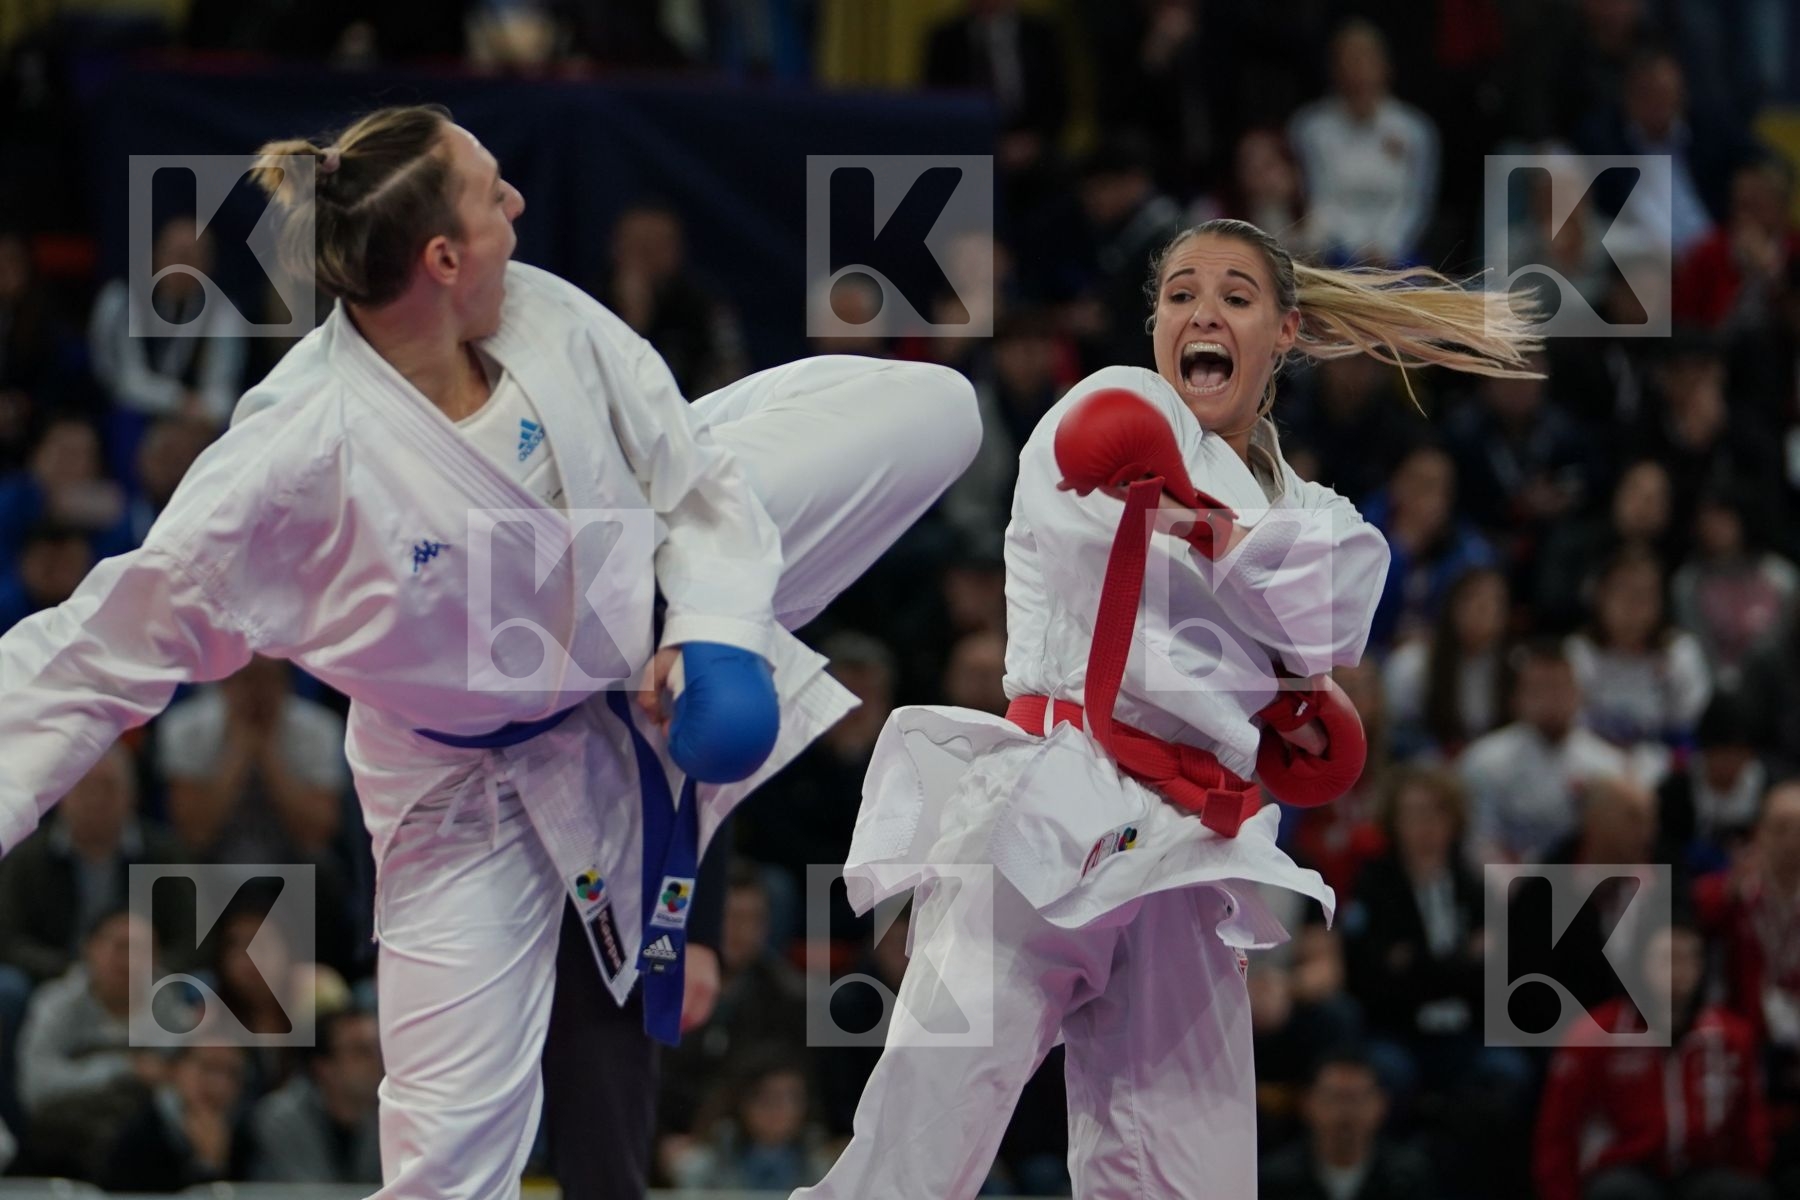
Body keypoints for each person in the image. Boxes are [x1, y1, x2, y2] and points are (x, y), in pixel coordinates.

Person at [0, 103, 980, 1200]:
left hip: (636, 600)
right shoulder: (297, 456)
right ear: (441, 256)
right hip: (463, 782)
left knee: (938, 410)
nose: (518, 205)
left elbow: (691, 479)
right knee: (449, 1165)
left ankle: (675, 627)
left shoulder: (545, 315)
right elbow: (92, 652)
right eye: (491, 191)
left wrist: (713, 627)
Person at [796, 217, 1538, 1199]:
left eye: (1235, 296)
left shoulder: (1317, 514)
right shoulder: (1112, 401)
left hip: (1191, 849)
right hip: (1048, 806)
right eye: (1180, 294)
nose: (1202, 313)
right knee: (922, 1141)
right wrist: (1223, 540)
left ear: (1288, 332)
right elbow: (1090, 480)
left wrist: (1204, 524)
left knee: (1194, 1182)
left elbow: (1331, 619)